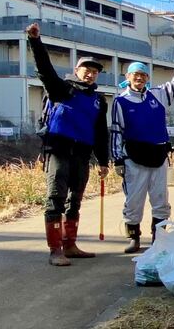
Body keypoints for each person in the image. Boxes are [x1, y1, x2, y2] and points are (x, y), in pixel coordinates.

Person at [26, 22, 110, 266]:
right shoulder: (62, 89)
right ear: (77, 69)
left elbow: (100, 132)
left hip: (82, 154)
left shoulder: (98, 100)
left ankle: (70, 244)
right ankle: (55, 250)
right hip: (59, 150)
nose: (90, 73)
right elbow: (45, 70)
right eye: (86, 69)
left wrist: (103, 161)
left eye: (95, 71)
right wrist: (35, 42)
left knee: (76, 199)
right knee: (56, 197)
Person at [111, 42, 174, 253]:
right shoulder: (120, 101)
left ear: (147, 78)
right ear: (128, 77)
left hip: (158, 155)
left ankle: (159, 238)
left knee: (160, 200)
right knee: (134, 200)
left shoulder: (157, 95)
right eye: (135, 74)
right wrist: (117, 159)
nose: (139, 78)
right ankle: (134, 237)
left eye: (143, 75)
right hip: (134, 157)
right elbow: (116, 131)